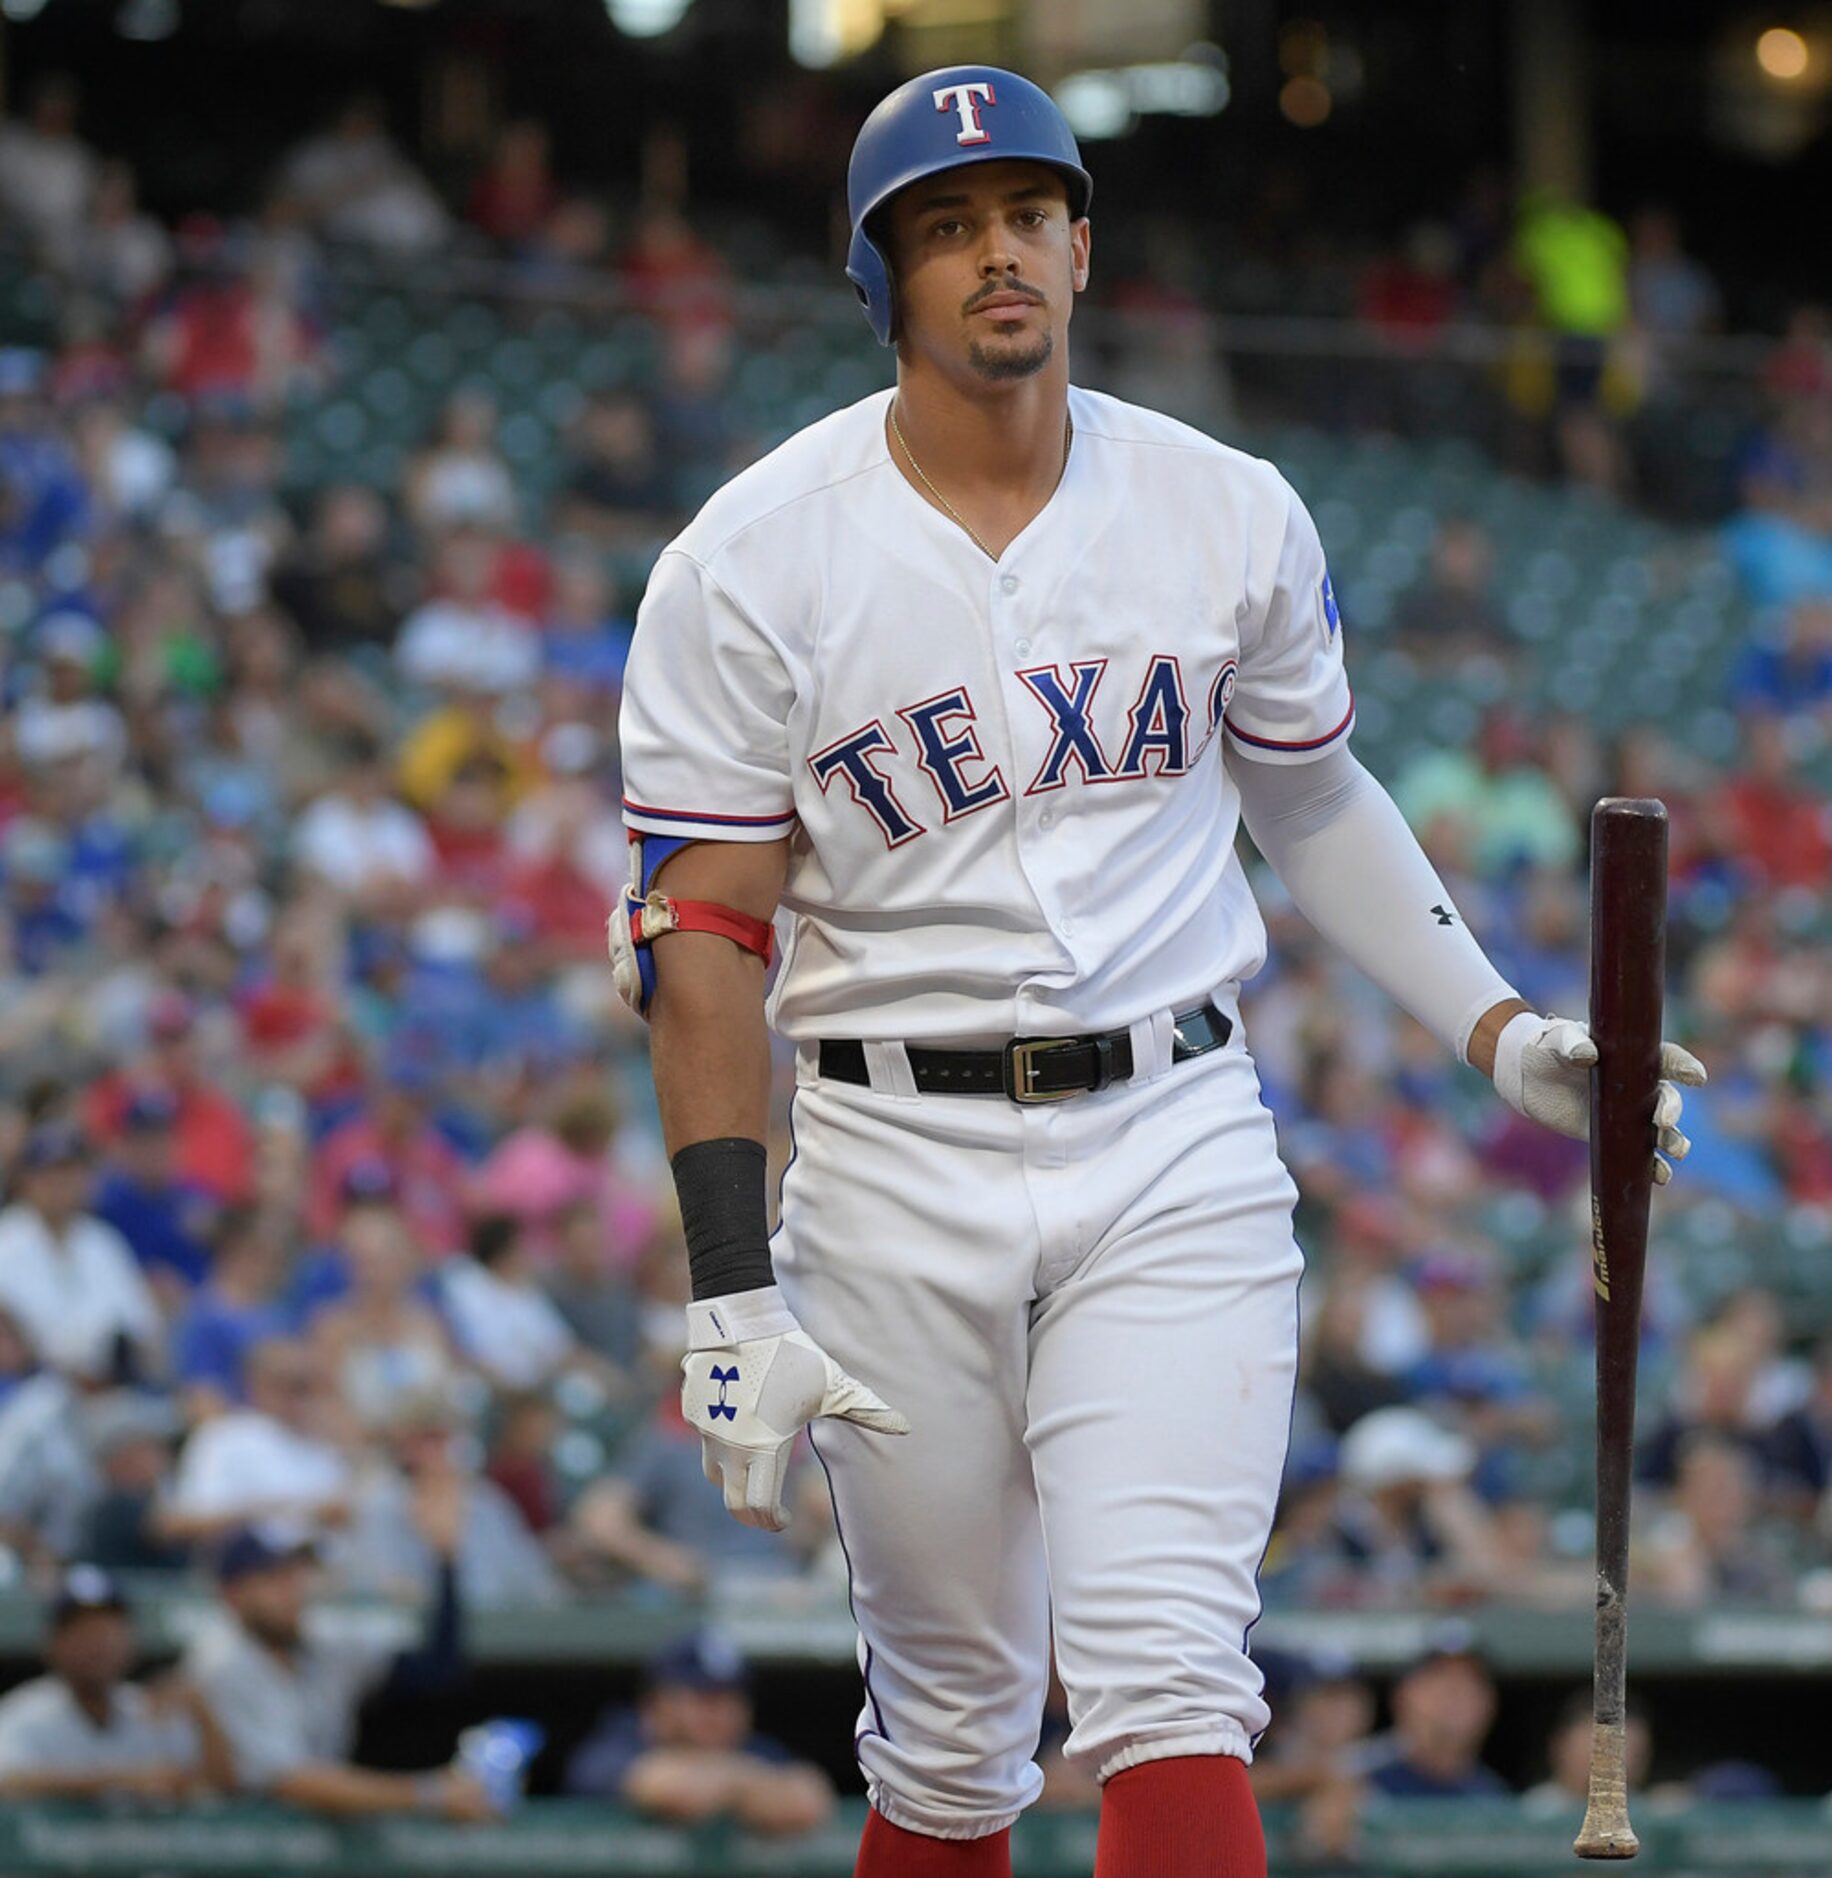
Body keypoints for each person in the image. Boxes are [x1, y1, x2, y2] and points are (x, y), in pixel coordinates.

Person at [614, 63, 1704, 1877]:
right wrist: (731, 1289)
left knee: (1170, 1676)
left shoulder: (1224, 505)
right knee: (953, 1736)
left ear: (1082, 243)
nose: (996, 255)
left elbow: (1312, 792)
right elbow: (703, 933)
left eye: (1025, 214)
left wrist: (1498, 1027)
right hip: (891, 1158)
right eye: (945, 229)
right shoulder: (748, 557)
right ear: (884, 281)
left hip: (1168, 1135)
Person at [182, 1520, 493, 1819]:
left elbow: (436, 1672)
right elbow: (297, 1783)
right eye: (273, 1576)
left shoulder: (323, 1643)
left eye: (296, 1572)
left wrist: (445, 1558)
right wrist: (432, 1794)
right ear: (232, 1595)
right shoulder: (221, 1664)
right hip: (226, 1844)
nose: (292, 1588)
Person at [563, 1631, 833, 1835]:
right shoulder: (616, 1744)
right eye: (706, 1699)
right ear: (657, 1705)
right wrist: (751, 1785)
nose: (722, 1714)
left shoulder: (753, 1749)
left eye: (733, 1700)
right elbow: (680, 1793)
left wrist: (727, 1784)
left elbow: (809, 1800)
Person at [0, 1564, 223, 1800]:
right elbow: (7, 1781)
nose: (98, 1643)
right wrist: (119, 1780)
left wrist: (201, 1712)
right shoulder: (27, 1711)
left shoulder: (146, 1708)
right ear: (52, 1644)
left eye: (108, 1630)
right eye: (82, 1631)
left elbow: (212, 1786)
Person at [0, 1120, 163, 1385]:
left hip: (110, 1388)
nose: (61, 1184)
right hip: (26, 1387)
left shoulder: (102, 1240)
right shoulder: (6, 1241)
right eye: (50, 1173)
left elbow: (141, 1327)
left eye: (71, 1173)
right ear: (26, 1179)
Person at [1357, 1639, 1509, 1799]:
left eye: (1471, 1683)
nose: (1456, 1694)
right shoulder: (1351, 1782)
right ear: (1402, 1696)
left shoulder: (1494, 1800)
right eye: (1440, 1679)